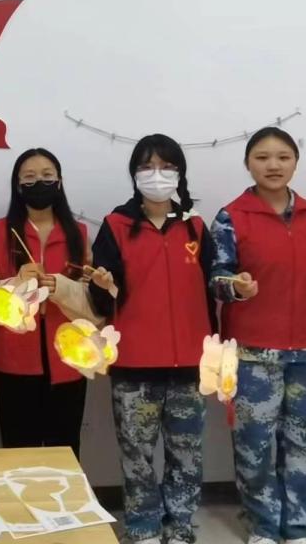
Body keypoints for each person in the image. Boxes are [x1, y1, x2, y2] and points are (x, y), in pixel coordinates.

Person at [210, 127, 306, 544]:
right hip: (252, 353)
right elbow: (215, 278)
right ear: (248, 164)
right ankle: (263, 525)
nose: (273, 165)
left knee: (304, 443)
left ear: (295, 163)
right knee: (254, 444)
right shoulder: (231, 217)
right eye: (262, 157)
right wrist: (236, 286)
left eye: (283, 157)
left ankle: (298, 526)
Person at [89, 134, 214, 544]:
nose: (156, 175)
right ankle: (142, 527)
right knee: (137, 455)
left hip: (190, 364)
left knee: (186, 453)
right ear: (134, 174)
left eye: (166, 166)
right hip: (134, 364)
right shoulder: (116, 225)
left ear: (180, 173)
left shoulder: (195, 225)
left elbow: (212, 289)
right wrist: (101, 285)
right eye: (147, 166)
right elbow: (100, 298)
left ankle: (180, 526)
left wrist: (216, 350)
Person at [0, 147, 94, 459]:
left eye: (47, 176)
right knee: (19, 449)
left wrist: (62, 287)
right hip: (14, 358)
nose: (39, 183)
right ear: (18, 185)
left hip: (70, 355)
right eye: (29, 178)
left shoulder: (79, 234)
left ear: (59, 182)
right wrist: (16, 284)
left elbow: (93, 300)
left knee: (65, 449)